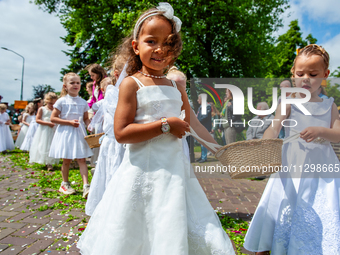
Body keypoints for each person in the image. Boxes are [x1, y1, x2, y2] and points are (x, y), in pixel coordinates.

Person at [77, 3, 235, 254]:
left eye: (168, 44)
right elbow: (121, 133)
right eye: (151, 41)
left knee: (172, 223)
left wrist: (222, 151)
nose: (160, 49)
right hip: (142, 170)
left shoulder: (175, 87)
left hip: (175, 172)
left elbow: (193, 123)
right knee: (141, 227)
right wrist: (165, 125)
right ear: (135, 46)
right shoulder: (131, 84)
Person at [244, 44, 340, 254]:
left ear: (325, 75)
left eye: (313, 74)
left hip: (322, 167)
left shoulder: (329, 105)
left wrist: (320, 131)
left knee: (320, 205)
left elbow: (338, 133)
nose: (306, 78)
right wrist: (265, 144)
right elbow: (275, 127)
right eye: (300, 73)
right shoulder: (289, 101)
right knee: (287, 203)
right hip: (292, 164)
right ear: (293, 74)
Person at [85, 72, 125, 216]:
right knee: (108, 167)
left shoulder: (119, 97)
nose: (110, 89)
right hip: (110, 138)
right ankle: (107, 200)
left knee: (116, 166)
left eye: (111, 86)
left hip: (118, 139)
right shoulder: (103, 101)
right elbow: (93, 107)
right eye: (106, 87)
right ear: (103, 90)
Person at [49, 72, 93, 198]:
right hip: (66, 133)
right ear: (65, 86)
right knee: (66, 159)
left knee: (82, 159)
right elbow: (53, 118)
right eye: (72, 82)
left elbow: (85, 118)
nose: (75, 85)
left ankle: (86, 186)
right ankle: (65, 184)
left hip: (79, 133)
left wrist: (89, 125)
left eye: (78, 82)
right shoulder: (61, 101)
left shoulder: (83, 102)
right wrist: (68, 122)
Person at [29, 92, 59, 170]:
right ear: (46, 101)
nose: (52, 105)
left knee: (52, 145)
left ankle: (50, 162)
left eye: (53, 103)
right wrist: (47, 123)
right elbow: (37, 120)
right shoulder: (42, 109)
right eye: (50, 103)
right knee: (44, 145)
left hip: (53, 130)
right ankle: (46, 162)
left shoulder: (55, 110)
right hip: (44, 130)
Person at [196, 93, 212, 163]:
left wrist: (197, 121)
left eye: (198, 99)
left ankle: (204, 157)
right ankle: (202, 156)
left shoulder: (207, 106)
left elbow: (204, 117)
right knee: (201, 142)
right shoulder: (201, 107)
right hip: (201, 127)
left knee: (204, 143)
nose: (197, 100)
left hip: (204, 127)